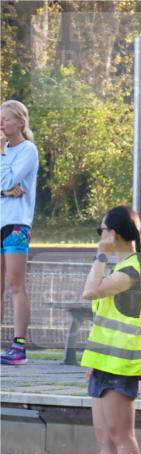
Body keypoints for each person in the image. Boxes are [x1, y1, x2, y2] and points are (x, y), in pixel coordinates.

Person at [80, 206, 141, 454]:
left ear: (113, 234)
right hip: (104, 360)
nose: (99, 237)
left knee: (121, 436)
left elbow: (90, 291)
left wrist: (101, 253)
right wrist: (94, 362)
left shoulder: (132, 270)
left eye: (101, 231)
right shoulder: (121, 267)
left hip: (122, 364)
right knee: (104, 437)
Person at [0, 100, 39, 365]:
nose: (1, 123)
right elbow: (5, 185)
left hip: (16, 224)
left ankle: (19, 347)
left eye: (5, 119)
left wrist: (4, 185)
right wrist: (4, 190)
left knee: (16, 284)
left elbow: (8, 180)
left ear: (20, 123)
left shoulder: (28, 150)